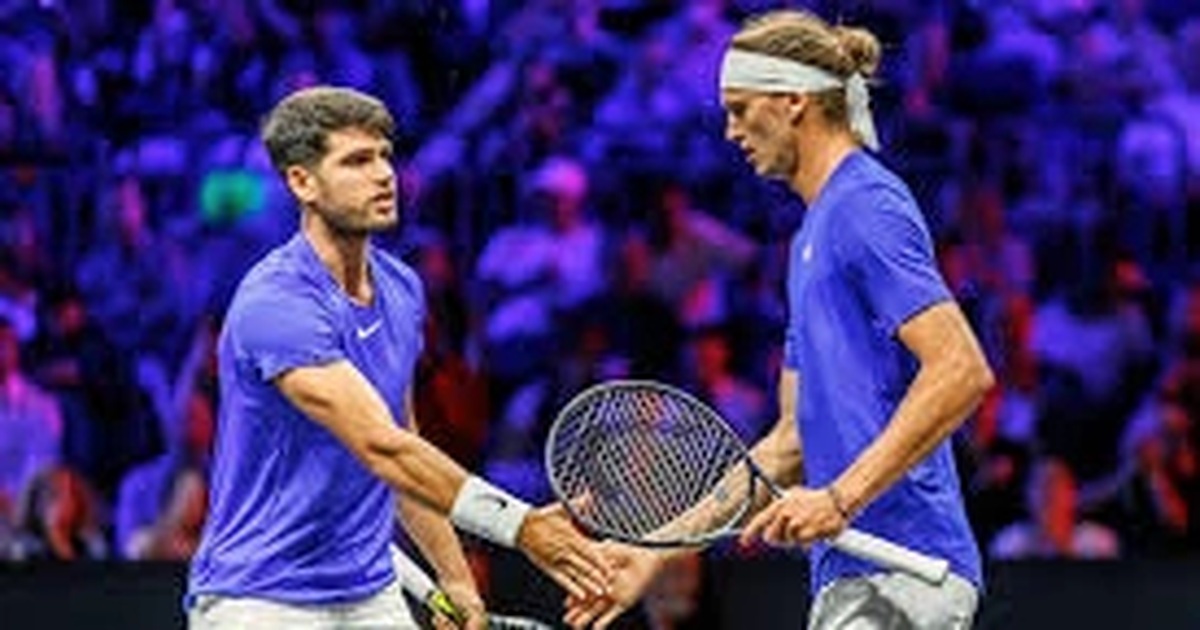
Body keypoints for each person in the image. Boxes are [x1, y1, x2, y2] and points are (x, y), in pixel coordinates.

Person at [566, 10, 994, 630]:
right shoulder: (811, 235)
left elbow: (961, 369)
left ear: (794, 100)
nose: (731, 131)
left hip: (905, 570)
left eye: (741, 109)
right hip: (853, 580)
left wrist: (840, 498)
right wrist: (654, 550)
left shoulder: (865, 205)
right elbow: (789, 444)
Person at [186, 86, 609, 629]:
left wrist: (455, 577)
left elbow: (405, 439)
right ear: (302, 182)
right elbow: (380, 447)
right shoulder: (276, 303)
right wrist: (521, 526)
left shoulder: (402, 289)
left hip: (371, 591)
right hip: (261, 598)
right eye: (357, 161)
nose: (384, 174)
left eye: (385, 155)